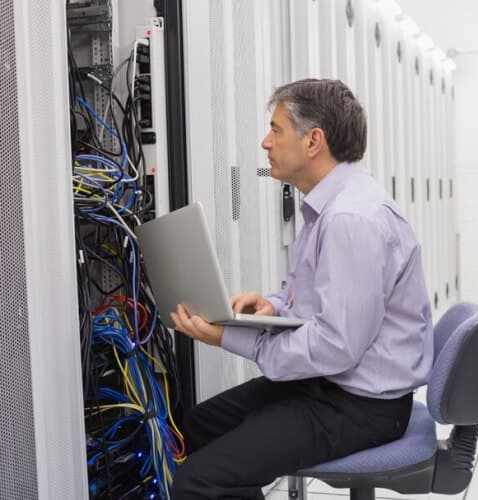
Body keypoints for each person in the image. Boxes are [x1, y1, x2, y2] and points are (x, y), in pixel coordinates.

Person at [170, 79, 433, 499]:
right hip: (330, 385)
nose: (264, 143)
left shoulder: (350, 219)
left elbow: (335, 345)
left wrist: (231, 338)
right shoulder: (330, 206)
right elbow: (317, 301)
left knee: (200, 482)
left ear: (313, 141)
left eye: (275, 130)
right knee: (195, 428)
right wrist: (271, 306)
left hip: (360, 405)